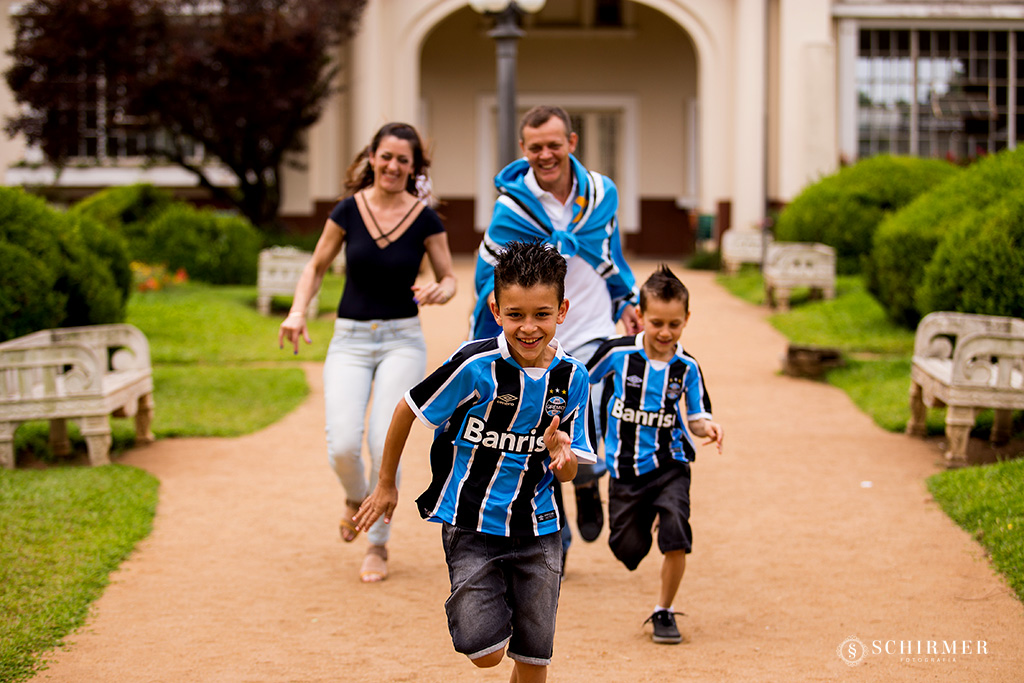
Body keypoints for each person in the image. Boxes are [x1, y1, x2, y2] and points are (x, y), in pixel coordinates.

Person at [355, 240, 596, 683]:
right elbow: (408, 408)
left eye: (541, 314)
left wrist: (562, 457)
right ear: (496, 308)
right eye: (516, 314)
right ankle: (489, 601)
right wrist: (386, 483)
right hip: (471, 523)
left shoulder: (573, 378)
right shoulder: (474, 364)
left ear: (561, 310)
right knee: (486, 652)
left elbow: (570, 467)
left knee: (533, 656)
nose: (528, 327)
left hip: (540, 527)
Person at [278, 122, 457, 583]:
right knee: (341, 443)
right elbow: (315, 266)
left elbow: (450, 277)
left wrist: (440, 290)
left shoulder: (424, 218)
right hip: (350, 340)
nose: (393, 166)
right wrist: (298, 312)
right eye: (387, 156)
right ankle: (358, 498)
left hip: (402, 339)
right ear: (371, 158)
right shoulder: (347, 211)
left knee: (382, 442)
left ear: (414, 167)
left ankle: (377, 544)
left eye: (404, 160)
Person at [470, 105, 640, 559]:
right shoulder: (512, 207)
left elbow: (609, 250)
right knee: (544, 424)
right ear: (523, 150)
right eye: (536, 147)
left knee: (593, 409)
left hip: (592, 322)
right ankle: (557, 522)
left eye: (554, 144)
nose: (546, 154)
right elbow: (491, 271)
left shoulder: (601, 193)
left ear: (572, 142)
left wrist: (627, 299)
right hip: (539, 331)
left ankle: (585, 478)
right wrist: (490, 326)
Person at [587, 265, 724, 645]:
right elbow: (579, 379)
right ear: (640, 317)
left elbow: (697, 417)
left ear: (686, 320)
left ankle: (663, 610)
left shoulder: (687, 368)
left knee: (677, 532)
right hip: (624, 470)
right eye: (657, 322)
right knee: (627, 551)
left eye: (674, 324)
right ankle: (627, 512)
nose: (665, 332)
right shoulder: (617, 354)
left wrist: (708, 428)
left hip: (671, 465)